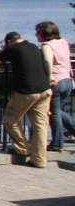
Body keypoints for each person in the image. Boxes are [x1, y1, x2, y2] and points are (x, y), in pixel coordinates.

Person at [0, 31, 51, 168]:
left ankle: (23, 149)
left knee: (10, 120)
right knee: (40, 125)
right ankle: (39, 159)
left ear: (9, 42)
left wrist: (4, 52)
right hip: (45, 90)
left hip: (26, 92)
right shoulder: (34, 46)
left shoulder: (12, 49)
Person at [36, 21, 75, 151]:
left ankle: (57, 143)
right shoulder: (63, 42)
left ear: (44, 34)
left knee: (54, 113)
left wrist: (49, 77)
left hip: (56, 82)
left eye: (37, 33)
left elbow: (47, 60)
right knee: (57, 111)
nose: (36, 35)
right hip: (67, 80)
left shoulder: (46, 46)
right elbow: (68, 61)